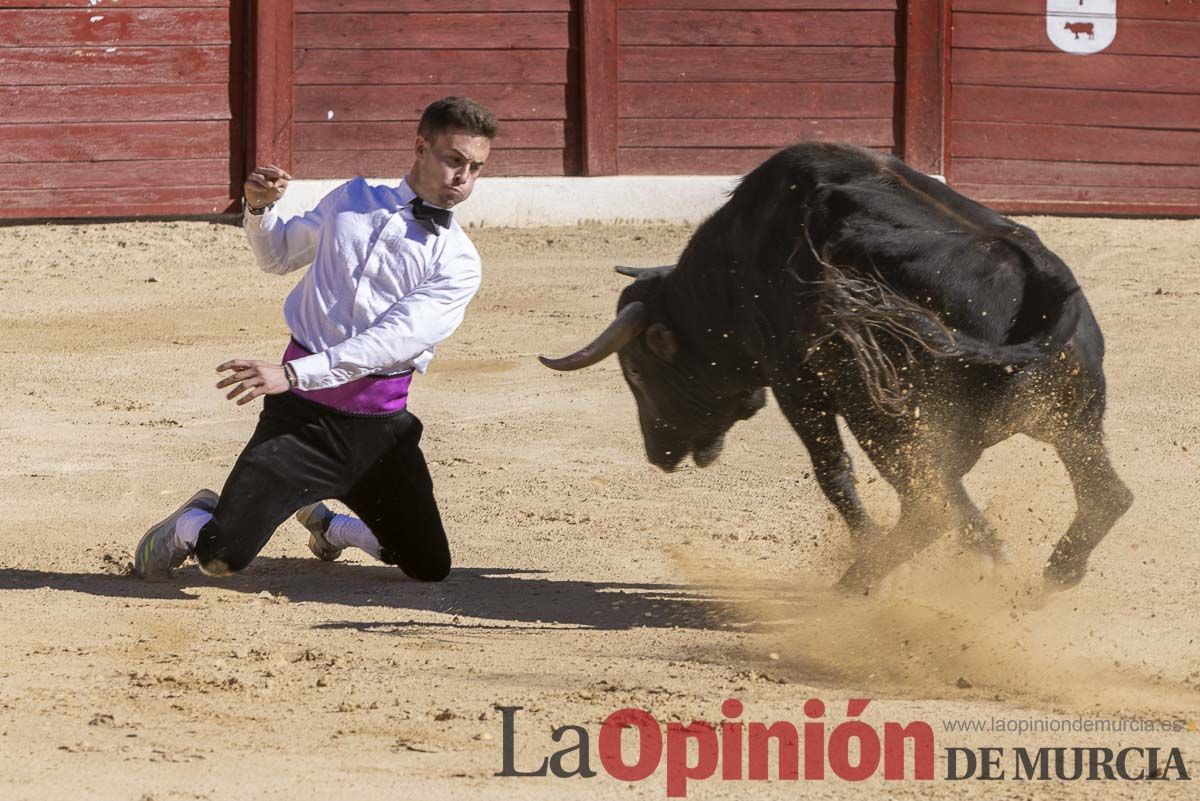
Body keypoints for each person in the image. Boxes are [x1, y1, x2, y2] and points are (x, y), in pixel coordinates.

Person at [134, 96, 498, 581]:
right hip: (299, 421)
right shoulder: (351, 200)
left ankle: (332, 529)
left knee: (428, 566)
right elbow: (279, 256)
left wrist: (291, 373)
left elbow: (391, 342)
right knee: (221, 558)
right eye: (454, 160)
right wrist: (260, 211)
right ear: (420, 146)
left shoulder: (459, 261)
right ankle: (189, 523)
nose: (463, 178)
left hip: (379, 436)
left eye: (475, 168)